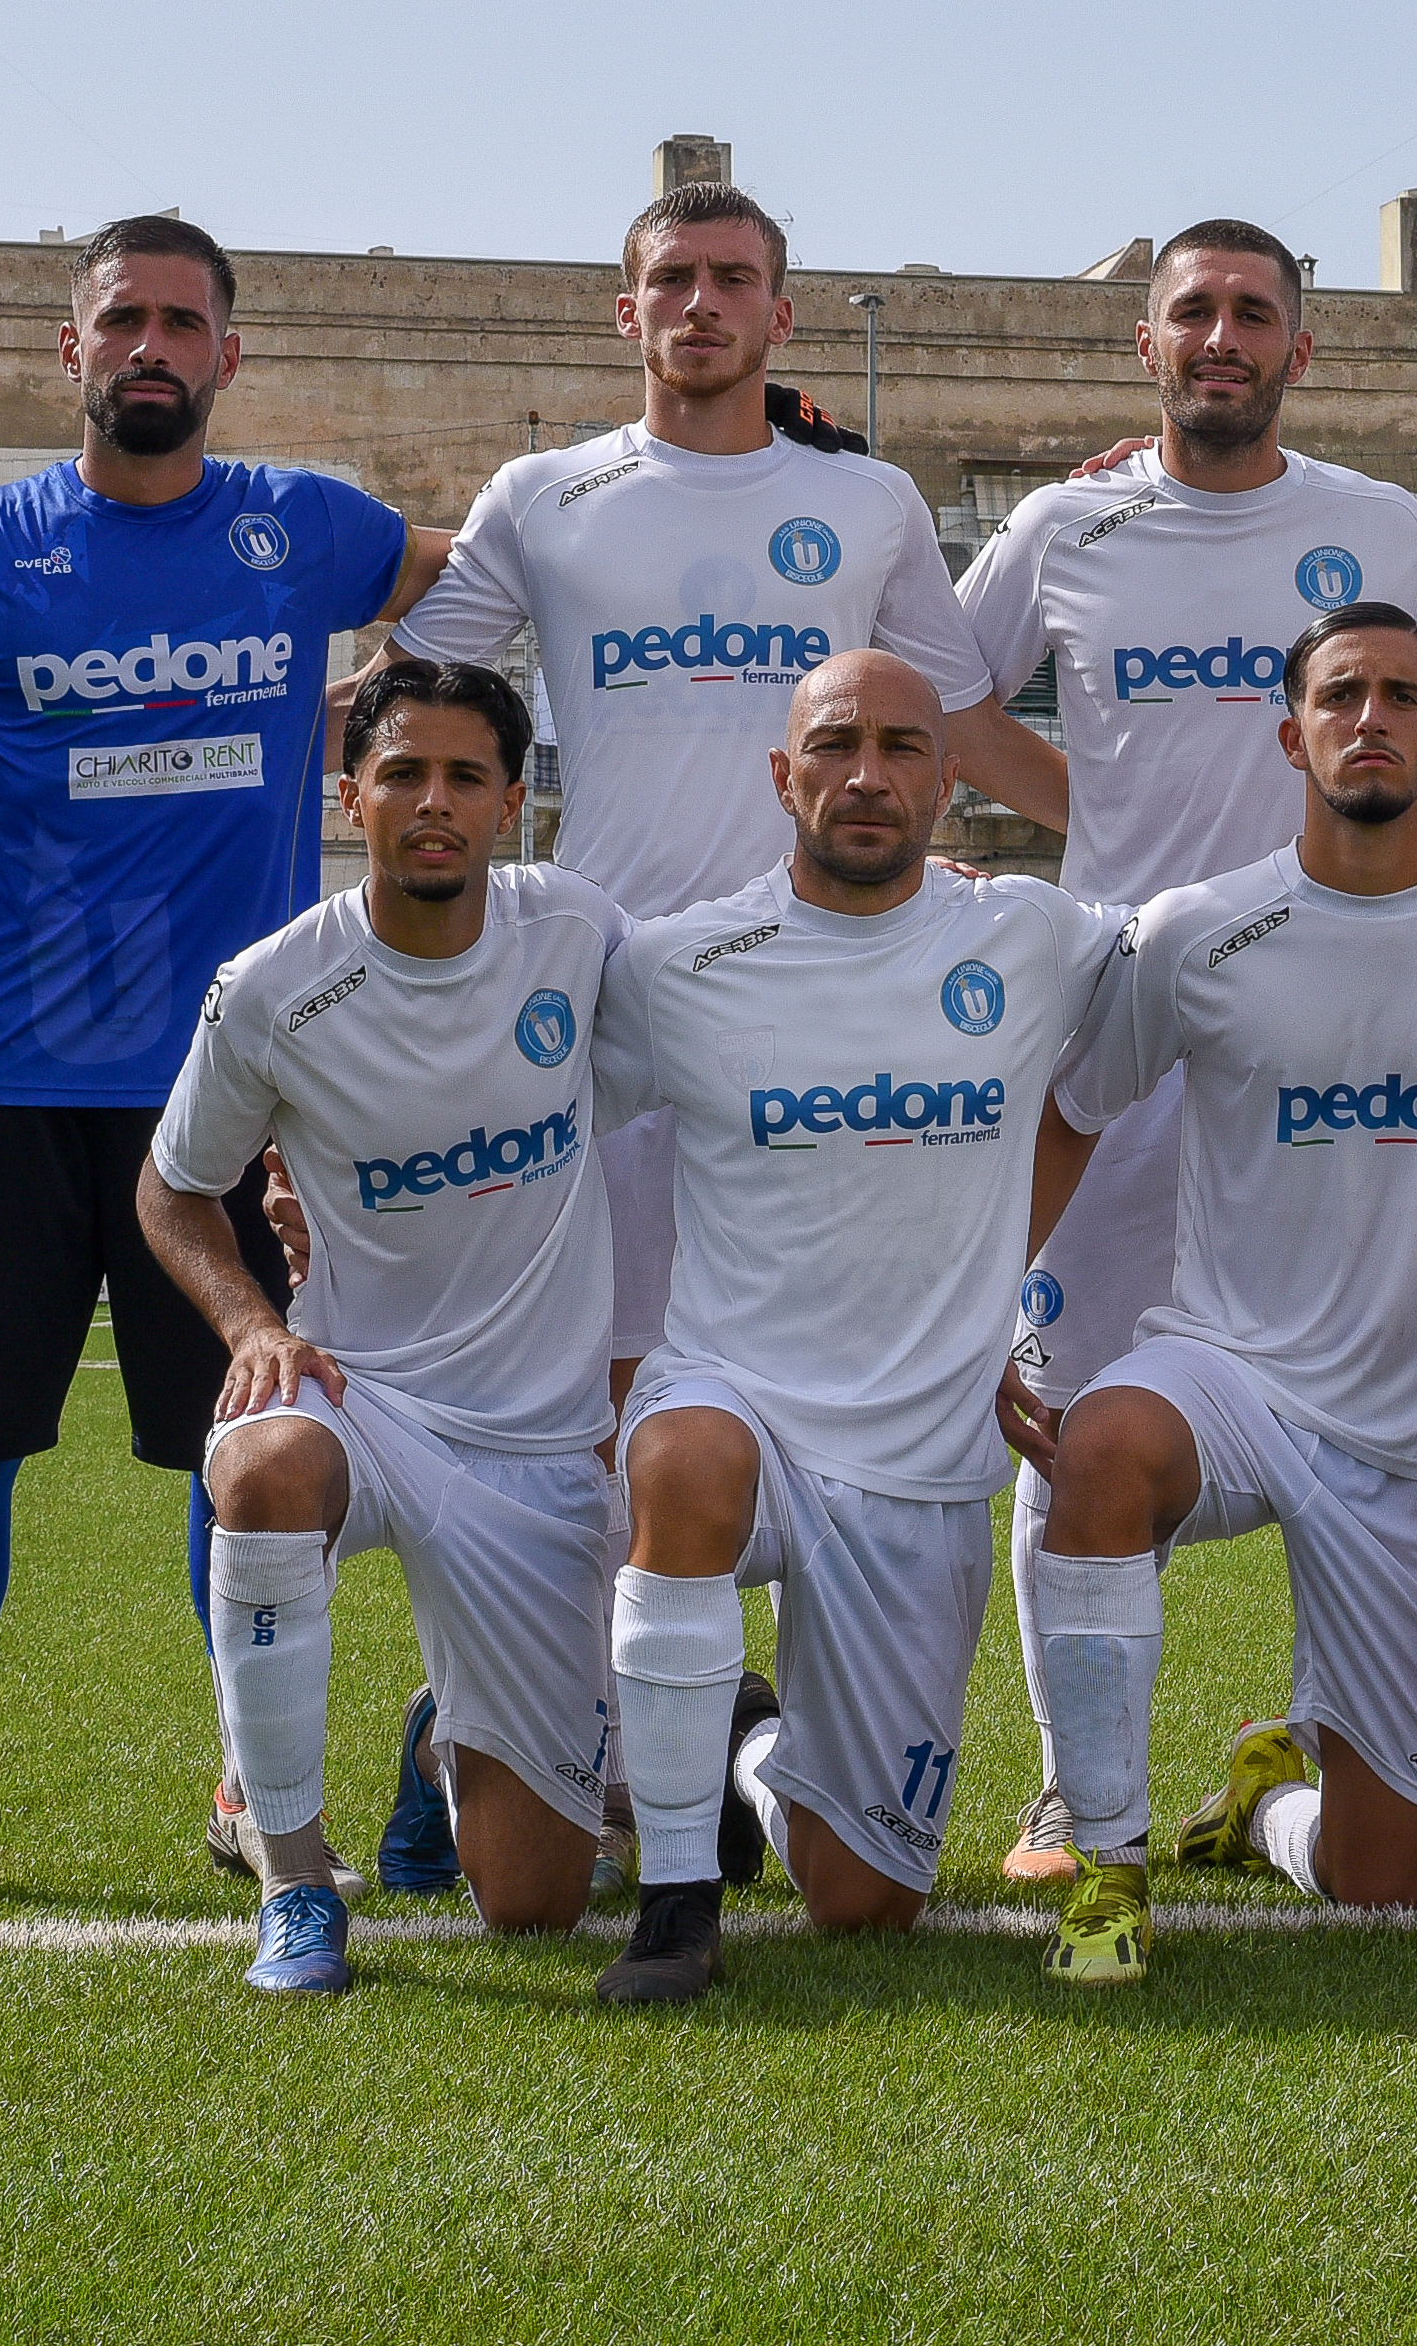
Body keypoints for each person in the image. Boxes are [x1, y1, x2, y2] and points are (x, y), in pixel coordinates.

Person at [893, 218, 1417, 1886]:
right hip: (1131, 1005)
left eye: (1251, 312)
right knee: (1077, 1407)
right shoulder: (1066, 520)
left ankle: (1331, 1741)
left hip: (1338, 1002)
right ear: (1146, 345)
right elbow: (948, 698)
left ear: (1297, 353)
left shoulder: (1373, 524)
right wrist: (1087, 821)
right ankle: (1069, 1788)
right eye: (1189, 309)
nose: (1220, 334)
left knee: (1353, 1370)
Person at [0, 212, 447, 1913]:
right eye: (123, 321)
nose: (151, 346)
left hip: (233, 1091)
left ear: (229, 354)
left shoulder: (309, 530)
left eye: (183, 321)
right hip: (3, 1084)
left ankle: (253, 1773)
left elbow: (530, 572)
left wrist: (748, 470)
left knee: (237, 1443)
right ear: (70, 348)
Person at [374, 178, 978, 1894]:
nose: (701, 305)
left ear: (784, 314)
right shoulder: (546, 496)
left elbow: (961, 712)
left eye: (734, 280)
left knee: (807, 1386)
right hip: (611, 1012)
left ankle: (741, 1738)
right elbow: (412, 701)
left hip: (822, 1008)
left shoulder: (864, 502)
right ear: (622, 313)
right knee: (590, 1401)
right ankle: (503, 1740)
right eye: (671, 281)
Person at [1026, 604, 1417, 1985]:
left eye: (1403, 695)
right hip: (1229, 1371)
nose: (1370, 717)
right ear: (1292, 733)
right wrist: (997, 1304)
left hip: (1415, 1438)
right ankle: (1104, 1869)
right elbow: (1070, 1110)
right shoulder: (1197, 929)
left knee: (1382, 1886)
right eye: (1341, 694)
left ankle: (1267, 1805)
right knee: (1099, 1444)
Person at [586, 651, 1121, 2006]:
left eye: (901, 745)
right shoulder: (675, 962)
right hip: (736, 1401)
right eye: (833, 746)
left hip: (920, 1456)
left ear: (950, 777)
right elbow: (530, 1127)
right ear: (783, 774)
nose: (866, 775)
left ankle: (739, 1742)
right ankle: (673, 1900)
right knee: (684, 1461)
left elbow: (1238, 954)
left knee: (864, 1900)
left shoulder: (1037, 939)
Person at [135, 660, 628, 1994]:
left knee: (533, 1906)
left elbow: (719, 1035)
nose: (433, 802)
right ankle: (293, 1879)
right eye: (402, 772)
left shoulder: (577, 934)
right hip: (367, 1396)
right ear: (351, 797)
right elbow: (175, 1187)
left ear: (514, 803)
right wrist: (250, 1321)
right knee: (259, 1465)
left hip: (540, 1442)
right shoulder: (273, 985)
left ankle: (441, 1744)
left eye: (466, 776)